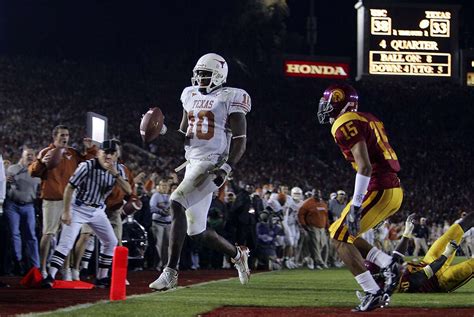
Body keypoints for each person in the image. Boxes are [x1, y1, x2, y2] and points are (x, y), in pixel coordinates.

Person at [149, 53, 251, 291]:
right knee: (197, 231)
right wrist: (162, 129)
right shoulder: (189, 95)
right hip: (193, 162)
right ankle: (237, 254)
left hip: (212, 163)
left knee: (176, 202)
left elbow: (240, 140)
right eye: (198, 74)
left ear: (218, 75)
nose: (200, 78)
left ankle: (170, 272)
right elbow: (183, 137)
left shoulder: (231, 97)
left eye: (205, 74)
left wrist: (226, 168)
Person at [317, 83, 403, 311]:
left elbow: (364, 167)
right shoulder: (368, 118)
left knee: (338, 237)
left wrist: (355, 204)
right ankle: (387, 263)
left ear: (339, 101)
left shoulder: (345, 122)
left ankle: (372, 291)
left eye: (328, 102)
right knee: (343, 231)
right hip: (391, 188)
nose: (325, 107)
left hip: (379, 186)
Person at [42, 140, 132, 288]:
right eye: (105, 152)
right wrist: (66, 211)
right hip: (78, 208)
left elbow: (128, 190)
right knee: (66, 243)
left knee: (111, 241)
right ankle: (50, 276)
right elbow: (69, 188)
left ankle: (102, 277)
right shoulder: (87, 166)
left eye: (112, 153)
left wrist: (116, 175)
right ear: (98, 153)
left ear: (116, 156)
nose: (108, 156)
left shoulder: (119, 170)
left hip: (97, 210)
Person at [29, 125, 96, 279]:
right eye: (62, 135)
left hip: (70, 201)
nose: (65, 138)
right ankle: (43, 267)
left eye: (67, 135)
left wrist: (90, 149)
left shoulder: (72, 153)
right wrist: (40, 162)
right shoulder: (46, 152)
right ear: (55, 137)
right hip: (52, 199)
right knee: (48, 233)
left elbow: (89, 164)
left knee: (68, 237)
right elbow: (33, 172)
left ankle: (65, 269)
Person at [367, 213, 474, 293]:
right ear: (380, 274)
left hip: (428, 261)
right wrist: (446, 253)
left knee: (455, 230)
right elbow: (425, 275)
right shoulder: (393, 283)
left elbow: (397, 256)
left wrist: (407, 232)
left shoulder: (388, 270)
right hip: (440, 280)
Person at [4, 148, 41, 274]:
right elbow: (4, 184)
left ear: (35, 157)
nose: (30, 157)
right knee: (15, 233)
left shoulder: (37, 172)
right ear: (22, 156)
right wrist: (6, 181)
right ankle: (18, 261)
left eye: (32, 155)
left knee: (31, 235)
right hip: (12, 205)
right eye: (27, 155)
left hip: (29, 206)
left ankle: (36, 266)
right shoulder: (12, 169)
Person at [149, 179, 171, 271]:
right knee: (159, 244)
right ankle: (158, 264)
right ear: (159, 186)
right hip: (158, 223)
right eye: (162, 185)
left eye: (166, 186)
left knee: (168, 245)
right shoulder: (156, 196)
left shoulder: (171, 196)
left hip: (169, 223)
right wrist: (161, 211)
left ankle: (166, 264)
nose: (164, 187)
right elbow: (152, 208)